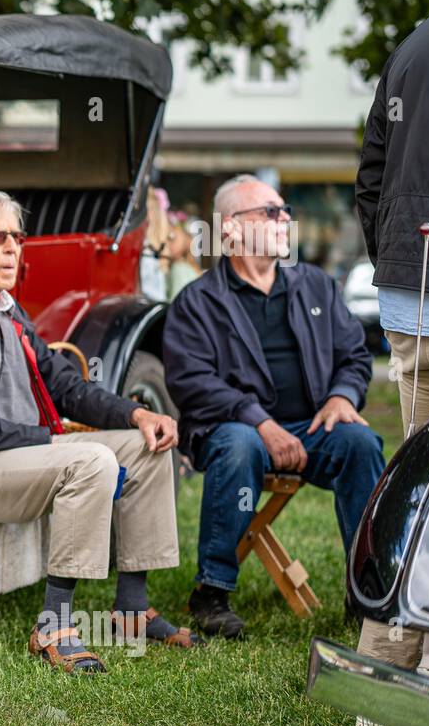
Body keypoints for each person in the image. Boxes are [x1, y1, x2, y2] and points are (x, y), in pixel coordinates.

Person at [0, 191, 192, 674]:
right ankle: (53, 624)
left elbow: (66, 386)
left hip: (15, 453)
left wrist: (136, 415)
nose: (13, 248)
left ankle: (132, 608)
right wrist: (46, 440)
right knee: (92, 460)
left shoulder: (8, 311)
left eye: (18, 237)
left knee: (146, 447)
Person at [163, 175, 385, 638]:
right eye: (270, 212)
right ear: (230, 231)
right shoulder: (197, 302)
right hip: (233, 431)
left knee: (361, 442)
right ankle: (212, 591)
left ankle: (367, 593)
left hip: (312, 427)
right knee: (241, 443)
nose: (285, 218)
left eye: (285, 210)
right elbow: (191, 382)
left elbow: (354, 355)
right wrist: (261, 422)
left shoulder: (315, 287)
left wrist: (343, 396)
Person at [354, 8, 429, 726]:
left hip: (411, 295)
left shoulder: (413, 45)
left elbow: (371, 175)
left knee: (420, 490)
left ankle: (382, 683)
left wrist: (388, 268)